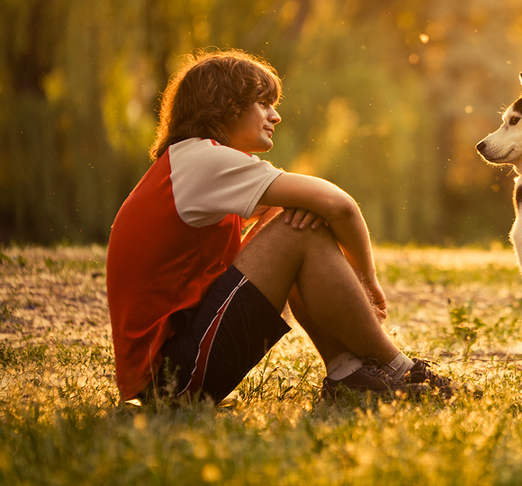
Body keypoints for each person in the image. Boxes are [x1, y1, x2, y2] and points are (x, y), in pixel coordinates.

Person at [106, 49, 457, 404]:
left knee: (292, 215)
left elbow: (311, 207)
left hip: (174, 369)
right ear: (226, 106)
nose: (275, 115)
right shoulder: (202, 160)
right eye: (262, 103)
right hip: (171, 378)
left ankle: (348, 372)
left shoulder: (189, 162)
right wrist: (367, 281)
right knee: (297, 225)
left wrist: (299, 210)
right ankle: (398, 367)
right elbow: (340, 205)